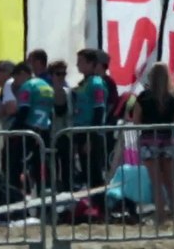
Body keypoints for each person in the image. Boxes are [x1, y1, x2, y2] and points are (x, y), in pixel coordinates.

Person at [133, 62, 174, 228]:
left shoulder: (143, 97)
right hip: (168, 140)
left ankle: (161, 218)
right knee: (171, 181)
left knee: (156, 182)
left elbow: (136, 121)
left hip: (149, 140)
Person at [62, 49, 109, 191]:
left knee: (94, 173)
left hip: (91, 133)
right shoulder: (84, 83)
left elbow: (99, 110)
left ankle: (100, 207)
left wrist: (91, 137)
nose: (77, 64)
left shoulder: (96, 83)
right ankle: (91, 206)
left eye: (81, 61)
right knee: (86, 172)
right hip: (80, 131)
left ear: (91, 63)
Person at [7, 63, 54, 195]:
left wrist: (12, 130)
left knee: (15, 165)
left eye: (16, 79)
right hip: (45, 129)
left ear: (23, 73)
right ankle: (44, 195)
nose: (16, 84)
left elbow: (24, 110)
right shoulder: (46, 86)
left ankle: (17, 196)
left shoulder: (27, 86)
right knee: (41, 165)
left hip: (28, 130)